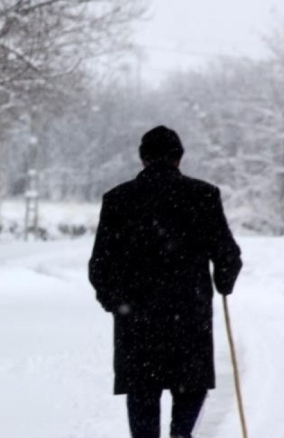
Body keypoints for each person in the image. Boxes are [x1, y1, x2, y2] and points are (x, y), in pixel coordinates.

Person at [88, 125, 242, 438]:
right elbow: (228, 254)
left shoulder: (118, 199)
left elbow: (100, 266)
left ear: (142, 158)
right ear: (178, 158)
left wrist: (117, 303)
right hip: (189, 316)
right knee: (190, 387)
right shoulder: (203, 195)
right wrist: (223, 281)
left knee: (142, 394)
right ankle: (181, 434)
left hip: (136, 319)